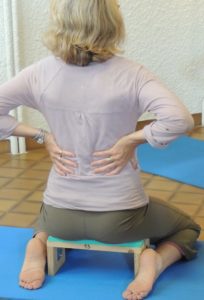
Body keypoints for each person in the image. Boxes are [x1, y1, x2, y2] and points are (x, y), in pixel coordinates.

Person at [0, 0, 201, 299]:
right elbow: (180, 119)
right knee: (188, 228)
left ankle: (38, 243)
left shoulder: (39, 73)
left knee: (45, 218)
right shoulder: (132, 74)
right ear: (110, 22)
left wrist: (42, 136)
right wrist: (131, 140)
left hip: (59, 217)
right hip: (119, 220)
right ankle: (156, 261)